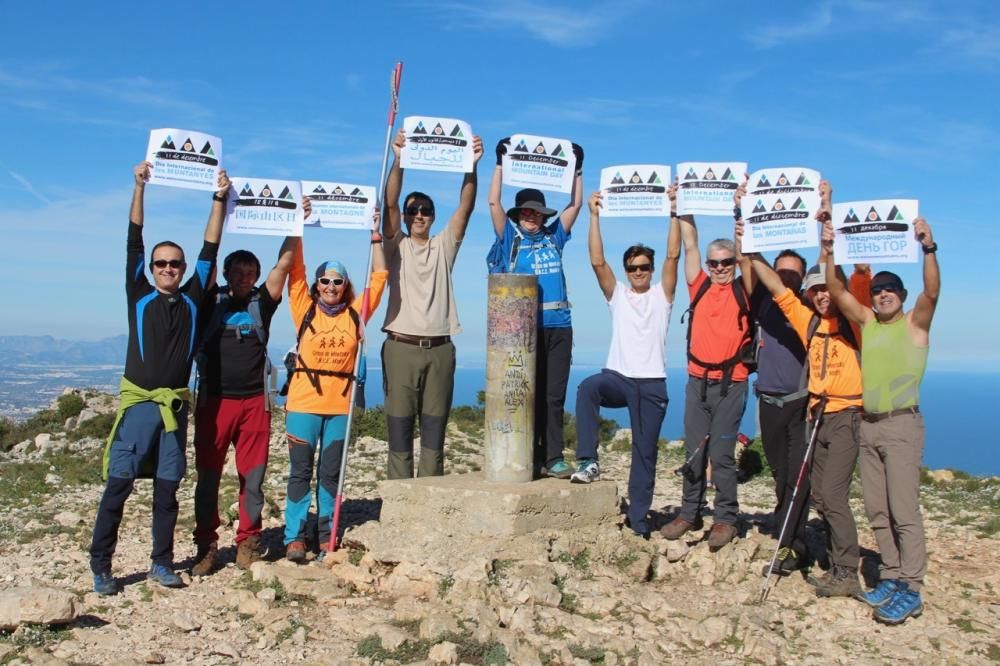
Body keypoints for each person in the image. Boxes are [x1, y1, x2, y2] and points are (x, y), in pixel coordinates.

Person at [89, 161, 226, 595]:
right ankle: (101, 566)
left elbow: (211, 246)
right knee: (118, 487)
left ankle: (161, 563)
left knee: (167, 491)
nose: (168, 268)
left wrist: (219, 198)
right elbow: (134, 238)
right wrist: (138, 187)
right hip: (139, 407)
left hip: (174, 409)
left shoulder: (192, 299)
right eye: (161, 263)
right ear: (151, 268)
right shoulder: (140, 295)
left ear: (183, 269)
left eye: (175, 264)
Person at [742, 209, 871, 596]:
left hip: (844, 414)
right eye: (815, 290)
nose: (821, 295)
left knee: (828, 493)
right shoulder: (807, 319)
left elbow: (850, 286)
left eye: (825, 288)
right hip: (817, 415)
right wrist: (749, 243)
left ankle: (844, 567)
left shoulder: (852, 322)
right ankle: (826, 555)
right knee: (808, 486)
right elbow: (773, 286)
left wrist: (830, 241)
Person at [825, 217, 939, 625]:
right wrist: (829, 247)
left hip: (902, 425)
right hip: (868, 424)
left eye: (890, 289)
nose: (883, 293)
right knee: (877, 509)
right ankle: (890, 575)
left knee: (903, 510)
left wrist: (928, 248)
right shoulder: (869, 324)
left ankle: (911, 587)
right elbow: (836, 289)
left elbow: (931, 291)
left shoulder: (915, 323)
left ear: (902, 296)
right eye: (878, 289)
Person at [571, 188, 680, 539]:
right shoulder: (617, 294)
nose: (639, 272)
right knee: (588, 387)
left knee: (645, 454)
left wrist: (674, 212)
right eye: (633, 268)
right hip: (618, 377)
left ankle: (638, 518)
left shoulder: (663, 296)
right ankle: (588, 460)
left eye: (644, 267)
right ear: (626, 270)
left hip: (651, 384)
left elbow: (674, 256)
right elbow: (596, 262)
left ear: (650, 269)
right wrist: (594, 216)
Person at [189, 233, 301, 575]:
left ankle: (248, 543)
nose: (244, 277)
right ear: (225, 273)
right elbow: (204, 260)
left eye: (250, 272)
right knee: (208, 478)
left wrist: (294, 224)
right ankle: (206, 547)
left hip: (254, 403)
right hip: (215, 402)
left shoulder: (261, 302)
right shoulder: (209, 300)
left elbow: (284, 264)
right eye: (237, 271)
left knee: (252, 479)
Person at [283, 214, 387, 561]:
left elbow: (380, 277)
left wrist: (376, 236)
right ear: (316, 285)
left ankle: (326, 534)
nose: (330, 286)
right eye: (324, 280)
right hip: (302, 404)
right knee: (300, 472)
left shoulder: (356, 313)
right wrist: (297, 224)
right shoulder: (304, 309)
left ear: (346, 286)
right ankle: (294, 537)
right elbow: (294, 272)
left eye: (337, 281)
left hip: (339, 406)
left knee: (330, 474)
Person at [381, 130, 483, 479]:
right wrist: (399, 160)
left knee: (434, 432)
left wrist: (471, 167)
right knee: (398, 429)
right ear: (407, 217)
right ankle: (398, 502)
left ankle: (429, 500)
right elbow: (390, 204)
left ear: (433, 216)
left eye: (425, 210)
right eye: (414, 211)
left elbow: (466, 206)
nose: (419, 215)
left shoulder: (444, 246)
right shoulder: (396, 246)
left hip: (441, 348)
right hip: (401, 346)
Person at [660, 195, 752, 551]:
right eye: (715, 263)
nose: (720, 268)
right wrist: (682, 204)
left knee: (723, 455)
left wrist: (739, 213)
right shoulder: (698, 286)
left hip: (733, 382)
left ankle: (725, 519)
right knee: (693, 452)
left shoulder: (745, 289)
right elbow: (690, 244)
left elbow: (747, 258)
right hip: (698, 381)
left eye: (727, 262)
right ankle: (690, 512)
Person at [488, 138, 584, 478]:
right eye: (526, 212)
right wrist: (500, 164)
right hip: (522, 331)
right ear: (519, 215)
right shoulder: (510, 239)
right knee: (527, 395)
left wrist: (578, 169)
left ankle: (553, 457)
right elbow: (493, 201)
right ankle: (527, 456)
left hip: (559, 325)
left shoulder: (553, 236)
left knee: (553, 396)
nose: (531, 217)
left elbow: (576, 204)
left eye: (536, 212)